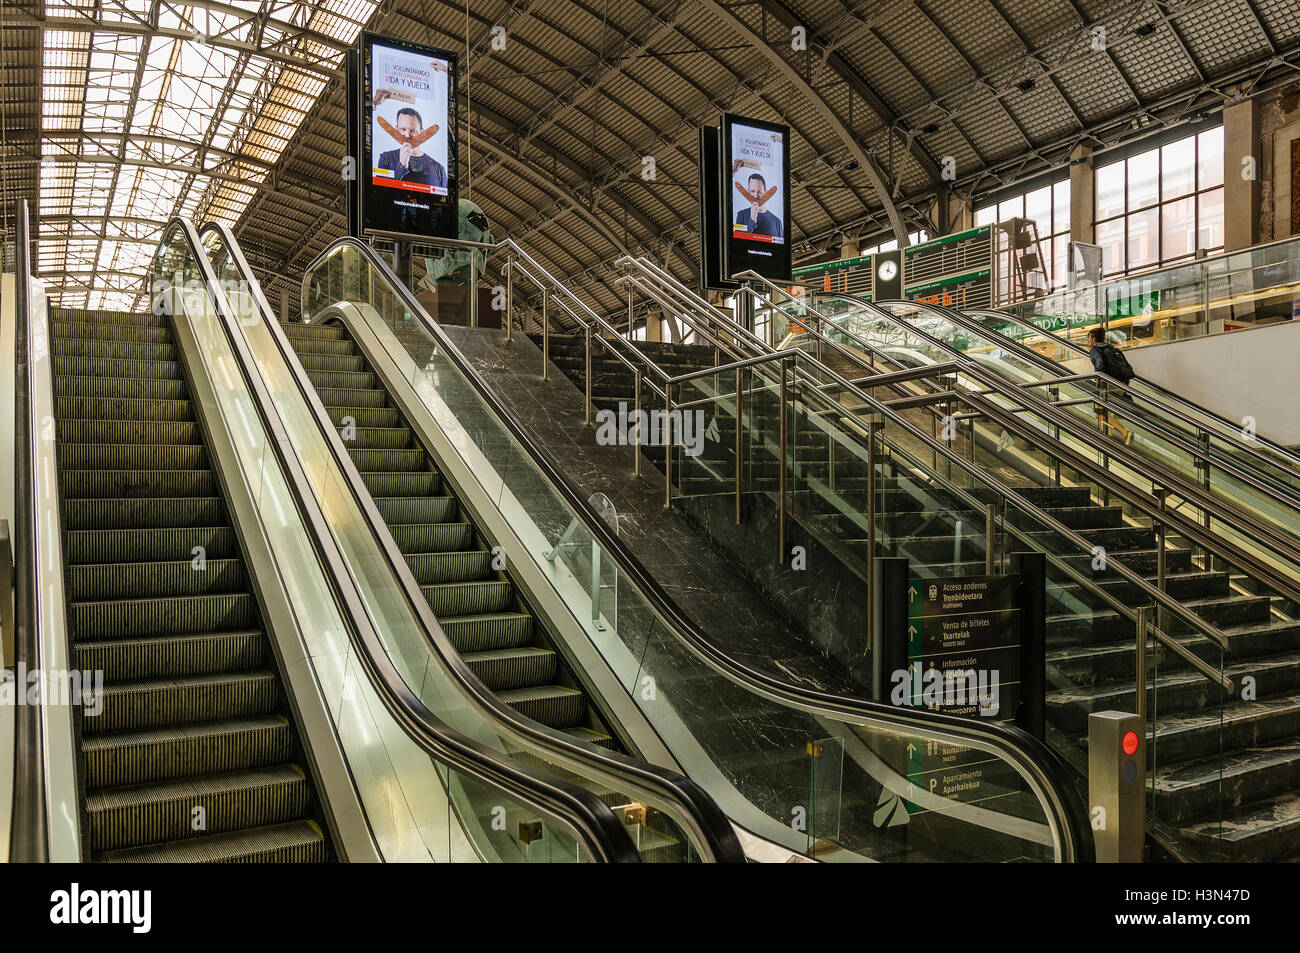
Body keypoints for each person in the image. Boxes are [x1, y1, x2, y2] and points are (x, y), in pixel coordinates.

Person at [1087, 326, 1135, 444]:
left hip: (1108, 385)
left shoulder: (1095, 350)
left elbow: (1100, 366)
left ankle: (1123, 433)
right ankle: (1109, 438)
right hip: (1119, 384)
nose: (1088, 341)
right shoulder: (1112, 349)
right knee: (1104, 412)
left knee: (1100, 412)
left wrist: (1098, 381)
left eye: (1088, 338)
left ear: (1093, 338)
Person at [377, 108, 446, 188]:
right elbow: (381, 190)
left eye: (412, 130)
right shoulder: (385, 158)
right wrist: (402, 165)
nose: (407, 135)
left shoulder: (439, 169)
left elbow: (443, 199)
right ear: (396, 130)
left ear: (422, 131)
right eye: (403, 129)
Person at [734, 173, 783, 239]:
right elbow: (737, 241)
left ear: (765, 192)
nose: (756, 196)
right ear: (748, 191)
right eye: (752, 191)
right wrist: (752, 220)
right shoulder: (741, 215)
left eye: (759, 192)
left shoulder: (777, 222)